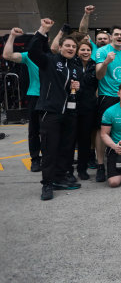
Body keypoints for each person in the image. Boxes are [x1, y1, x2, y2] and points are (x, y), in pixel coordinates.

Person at [27, 18, 81, 200]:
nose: (71, 49)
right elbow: (33, 51)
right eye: (67, 46)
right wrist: (43, 29)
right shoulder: (49, 61)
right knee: (49, 149)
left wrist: (75, 87)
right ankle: (47, 184)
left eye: (73, 47)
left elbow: (70, 89)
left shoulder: (74, 67)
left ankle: (60, 177)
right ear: (60, 47)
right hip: (50, 112)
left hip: (69, 114)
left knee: (66, 149)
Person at [94, 25, 121, 182]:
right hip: (107, 96)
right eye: (116, 34)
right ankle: (100, 165)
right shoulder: (102, 52)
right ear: (111, 36)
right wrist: (106, 62)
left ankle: (120, 160)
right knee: (102, 131)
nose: (119, 37)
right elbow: (98, 75)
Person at [3, 27, 43, 172]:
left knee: (49, 131)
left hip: (51, 97)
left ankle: (49, 157)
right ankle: (35, 159)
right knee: (34, 130)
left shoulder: (52, 55)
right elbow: (7, 55)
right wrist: (12, 36)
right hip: (34, 95)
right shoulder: (28, 56)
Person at [73, 41, 98, 180]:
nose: (85, 52)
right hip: (72, 107)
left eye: (88, 50)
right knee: (69, 140)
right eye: (82, 49)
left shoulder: (94, 65)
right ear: (78, 51)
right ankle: (67, 170)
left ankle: (82, 169)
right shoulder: (71, 64)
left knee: (84, 140)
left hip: (88, 107)